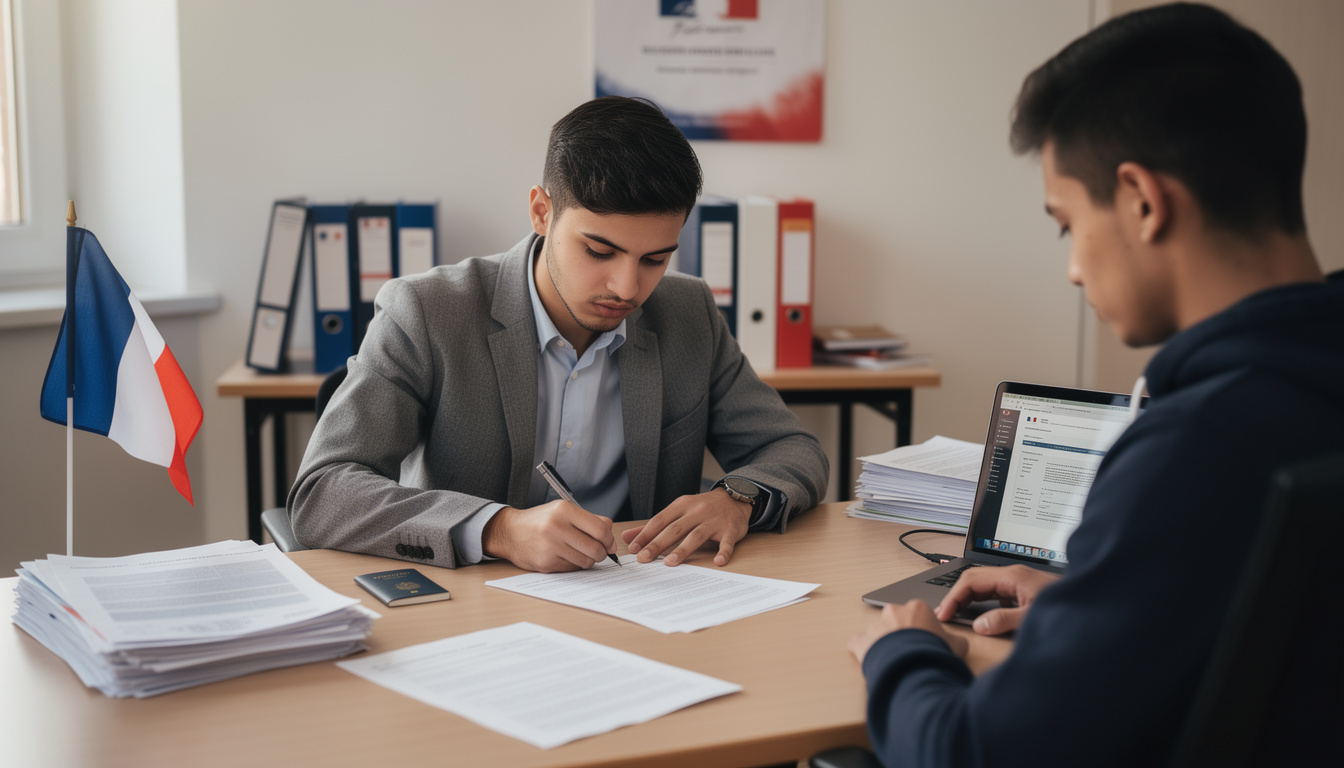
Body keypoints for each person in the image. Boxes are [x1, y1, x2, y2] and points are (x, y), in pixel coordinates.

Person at [847, 4, 1343, 765]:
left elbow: (973, 754)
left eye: (1065, 223)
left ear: (1143, 201)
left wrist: (906, 654)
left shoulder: (1194, 446)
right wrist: (1098, 609)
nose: (1074, 268)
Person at [290, 96, 828, 573]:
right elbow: (323, 492)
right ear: (542, 212)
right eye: (599, 251)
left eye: (655, 259)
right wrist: (497, 529)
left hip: (646, 598)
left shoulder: (688, 313)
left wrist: (738, 497)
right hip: (476, 611)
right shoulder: (428, 313)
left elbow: (792, 448)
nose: (627, 287)